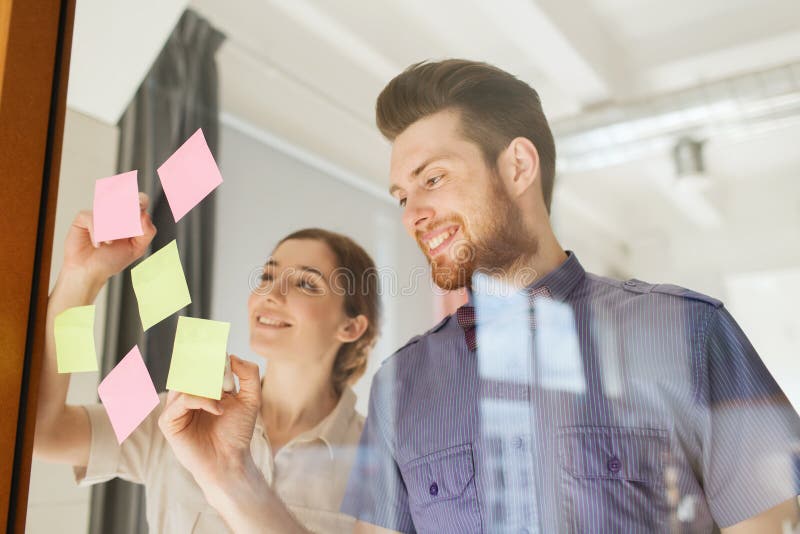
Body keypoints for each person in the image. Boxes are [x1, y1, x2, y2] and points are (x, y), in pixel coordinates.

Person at [133, 59, 800, 534]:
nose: (412, 213)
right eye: (401, 195)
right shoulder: (405, 385)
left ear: (517, 166)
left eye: (433, 179)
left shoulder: (689, 335)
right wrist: (228, 477)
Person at [33, 196, 381, 533]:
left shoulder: (380, 466)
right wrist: (82, 276)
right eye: (266, 277)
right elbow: (44, 431)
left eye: (306, 283)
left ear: (351, 327)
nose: (271, 294)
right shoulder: (175, 415)